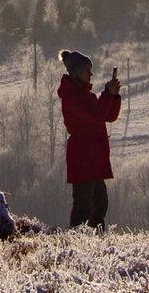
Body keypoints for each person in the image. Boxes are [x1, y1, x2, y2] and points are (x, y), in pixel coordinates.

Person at [57, 49, 121, 229]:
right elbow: (97, 117)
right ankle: (78, 240)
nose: (91, 74)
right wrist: (108, 94)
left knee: (100, 204)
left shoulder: (87, 96)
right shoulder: (72, 98)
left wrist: (113, 96)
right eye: (87, 71)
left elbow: (109, 116)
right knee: (84, 205)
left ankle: (94, 241)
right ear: (78, 73)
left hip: (94, 157)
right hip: (83, 156)